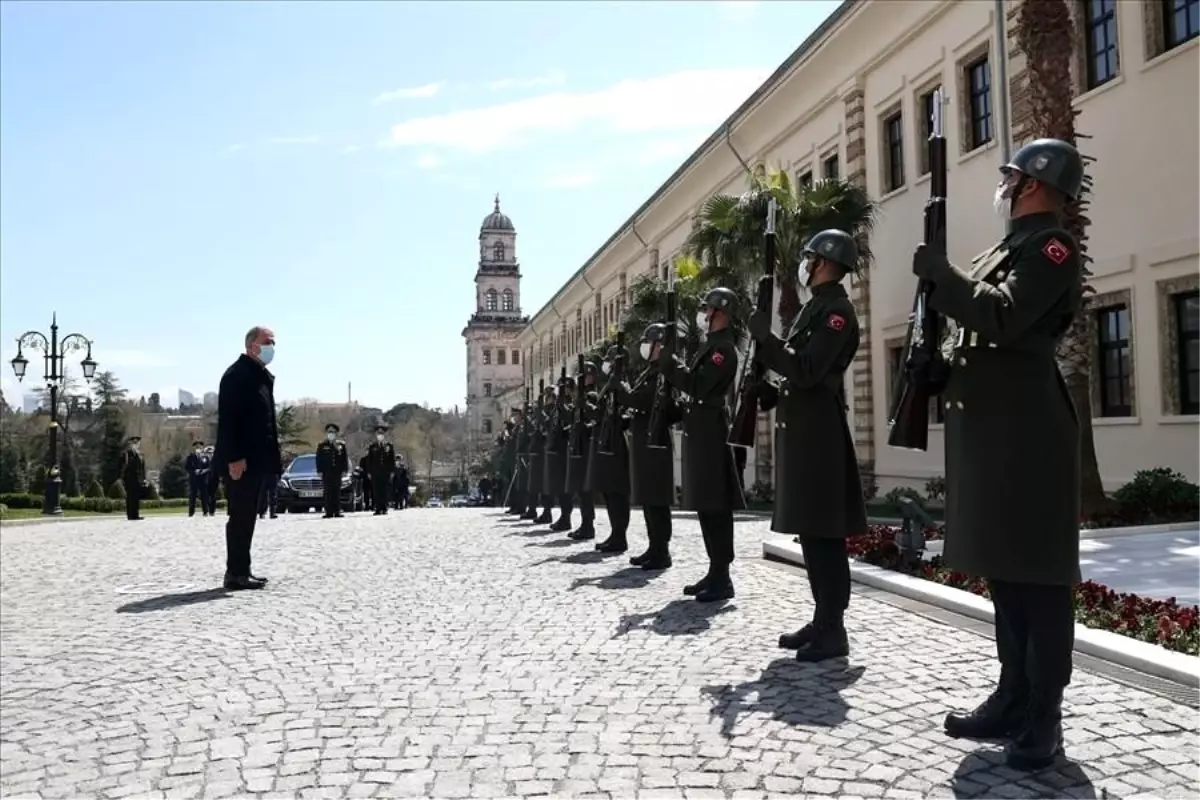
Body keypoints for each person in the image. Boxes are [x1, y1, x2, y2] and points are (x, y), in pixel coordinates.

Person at [911, 139, 1086, 771]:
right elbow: (974, 331)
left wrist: (943, 275)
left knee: (1038, 580)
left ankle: (1045, 717)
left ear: (1037, 183)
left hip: (1029, 434)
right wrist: (935, 365)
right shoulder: (1002, 249)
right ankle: (1011, 697)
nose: (1005, 182)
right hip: (991, 428)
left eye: (1013, 174)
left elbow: (1006, 317)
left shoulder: (1052, 248)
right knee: (1005, 575)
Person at [748, 229, 867, 662]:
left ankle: (834, 630)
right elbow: (796, 375)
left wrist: (767, 341)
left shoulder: (837, 312)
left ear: (822, 263)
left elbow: (811, 369)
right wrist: (773, 391)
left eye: (810, 257)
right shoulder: (814, 309)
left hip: (820, 435)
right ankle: (822, 618)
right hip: (803, 431)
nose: (805, 264)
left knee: (825, 535)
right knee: (812, 535)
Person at [658, 287, 745, 601]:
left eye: (708, 309)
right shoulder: (710, 347)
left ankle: (723, 578)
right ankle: (714, 571)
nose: (704, 315)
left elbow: (699, 385)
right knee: (707, 508)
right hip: (700, 431)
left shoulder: (723, 350)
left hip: (711, 433)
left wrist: (670, 364)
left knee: (716, 507)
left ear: (720, 312)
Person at [215, 325, 281, 590]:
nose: (272, 348)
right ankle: (235, 573)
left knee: (249, 515)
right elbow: (230, 421)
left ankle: (244, 569)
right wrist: (235, 457)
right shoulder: (237, 375)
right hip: (241, 461)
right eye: (268, 342)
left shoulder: (258, 375)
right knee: (240, 516)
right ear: (251, 345)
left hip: (257, 460)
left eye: (274, 343)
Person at [617, 323, 676, 570]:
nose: (644, 345)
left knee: (657, 498)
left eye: (648, 341)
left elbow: (640, 400)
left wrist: (619, 383)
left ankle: (662, 551)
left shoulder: (663, 372)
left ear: (658, 345)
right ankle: (654, 547)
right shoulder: (650, 371)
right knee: (648, 499)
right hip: (644, 439)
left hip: (656, 441)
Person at [585, 345, 632, 553]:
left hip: (617, 444)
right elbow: (601, 413)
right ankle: (615, 534)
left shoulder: (623, 383)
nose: (607, 364)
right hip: (606, 441)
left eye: (610, 360)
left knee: (617, 493)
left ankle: (620, 536)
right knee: (609, 493)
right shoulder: (609, 385)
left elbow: (628, 412)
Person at [566, 363, 599, 541]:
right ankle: (585, 524)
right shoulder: (581, 396)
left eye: (584, 376)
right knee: (580, 488)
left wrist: (584, 426)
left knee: (585, 489)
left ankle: (588, 525)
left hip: (587, 446)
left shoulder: (592, 395)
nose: (583, 380)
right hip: (579, 445)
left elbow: (595, 418)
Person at [544, 375, 574, 532]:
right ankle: (563, 516)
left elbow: (570, 423)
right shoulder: (557, 406)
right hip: (557, 451)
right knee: (560, 488)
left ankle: (566, 518)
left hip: (566, 450)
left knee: (566, 488)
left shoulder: (570, 405)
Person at [316, 423, 349, 519]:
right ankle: (328, 512)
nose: (331, 433)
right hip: (327, 472)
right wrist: (319, 470)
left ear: (336, 433)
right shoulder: (322, 445)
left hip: (337, 472)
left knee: (337, 492)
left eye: (333, 432)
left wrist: (344, 470)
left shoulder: (341, 445)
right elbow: (319, 459)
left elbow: (344, 459)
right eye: (329, 432)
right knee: (327, 492)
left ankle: (337, 511)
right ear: (326, 433)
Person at [366, 424, 396, 515]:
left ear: (384, 435)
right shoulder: (372, 446)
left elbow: (392, 459)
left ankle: (384, 507)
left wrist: (392, 471)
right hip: (375, 472)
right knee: (376, 491)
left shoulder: (389, 446)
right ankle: (378, 508)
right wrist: (369, 472)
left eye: (381, 433)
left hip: (386, 472)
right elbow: (369, 460)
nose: (380, 435)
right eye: (378, 433)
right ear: (376, 434)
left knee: (385, 490)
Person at [120, 435, 147, 521]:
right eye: (134, 443)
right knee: (130, 497)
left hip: (138, 480)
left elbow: (142, 468)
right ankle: (130, 515)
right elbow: (125, 466)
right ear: (131, 444)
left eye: (137, 443)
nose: (136, 445)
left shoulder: (140, 454)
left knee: (136, 497)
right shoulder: (128, 454)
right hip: (130, 479)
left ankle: (136, 514)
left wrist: (143, 478)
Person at [185, 440, 212, 517]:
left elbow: (209, 467)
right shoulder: (191, 457)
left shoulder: (205, 457)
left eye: (199, 446)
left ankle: (205, 511)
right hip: (194, 479)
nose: (198, 448)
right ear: (194, 448)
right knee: (193, 495)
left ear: (202, 447)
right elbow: (187, 467)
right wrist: (194, 471)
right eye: (197, 447)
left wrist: (204, 471)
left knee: (204, 495)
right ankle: (191, 512)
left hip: (203, 479)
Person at [202, 445, 219, 516]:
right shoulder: (203, 460)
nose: (210, 454)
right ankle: (205, 511)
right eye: (208, 453)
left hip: (214, 480)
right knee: (205, 496)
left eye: (211, 452)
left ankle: (212, 511)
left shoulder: (216, 461)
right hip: (205, 480)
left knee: (213, 496)